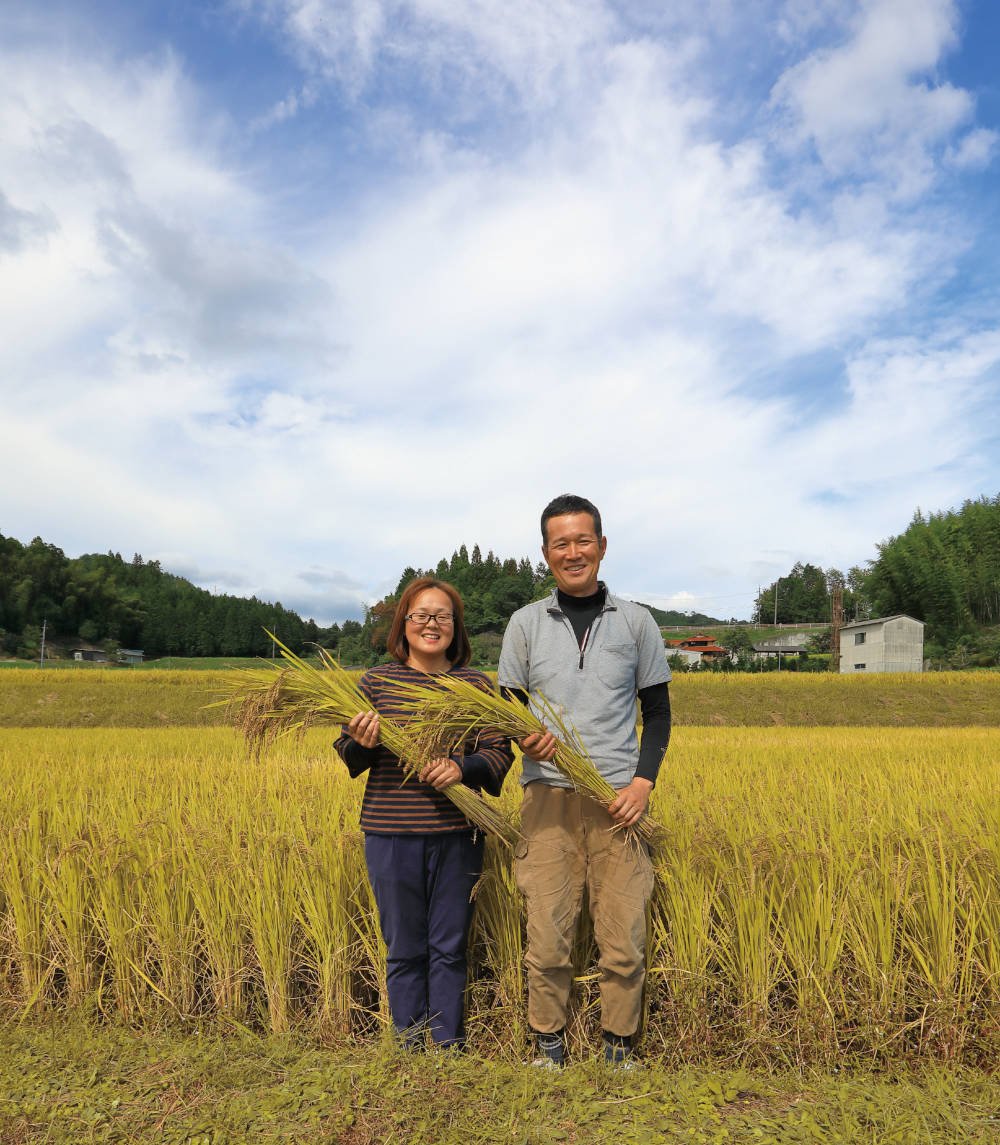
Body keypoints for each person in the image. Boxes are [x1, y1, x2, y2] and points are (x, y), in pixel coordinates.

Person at [497, 494, 671, 1069]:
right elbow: (508, 710)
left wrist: (643, 783)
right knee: (547, 931)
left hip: (617, 798)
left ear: (601, 546)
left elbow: (659, 713)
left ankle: (619, 1047)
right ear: (545, 553)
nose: (572, 552)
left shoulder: (637, 621)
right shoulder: (524, 624)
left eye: (582, 541)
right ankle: (549, 1045)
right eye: (559, 543)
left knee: (624, 933)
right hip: (545, 796)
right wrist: (525, 737)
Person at [334, 577, 513, 1051]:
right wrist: (364, 742)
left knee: (450, 947)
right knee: (404, 948)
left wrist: (461, 766)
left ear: (456, 627)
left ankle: (449, 1043)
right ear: (404, 625)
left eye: (443, 617)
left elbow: (498, 754)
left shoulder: (475, 686)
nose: (432, 625)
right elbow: (349, 756)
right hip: (391, 834)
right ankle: (411, 1045)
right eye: (421, 616)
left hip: (459, 834)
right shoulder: (375, 682)